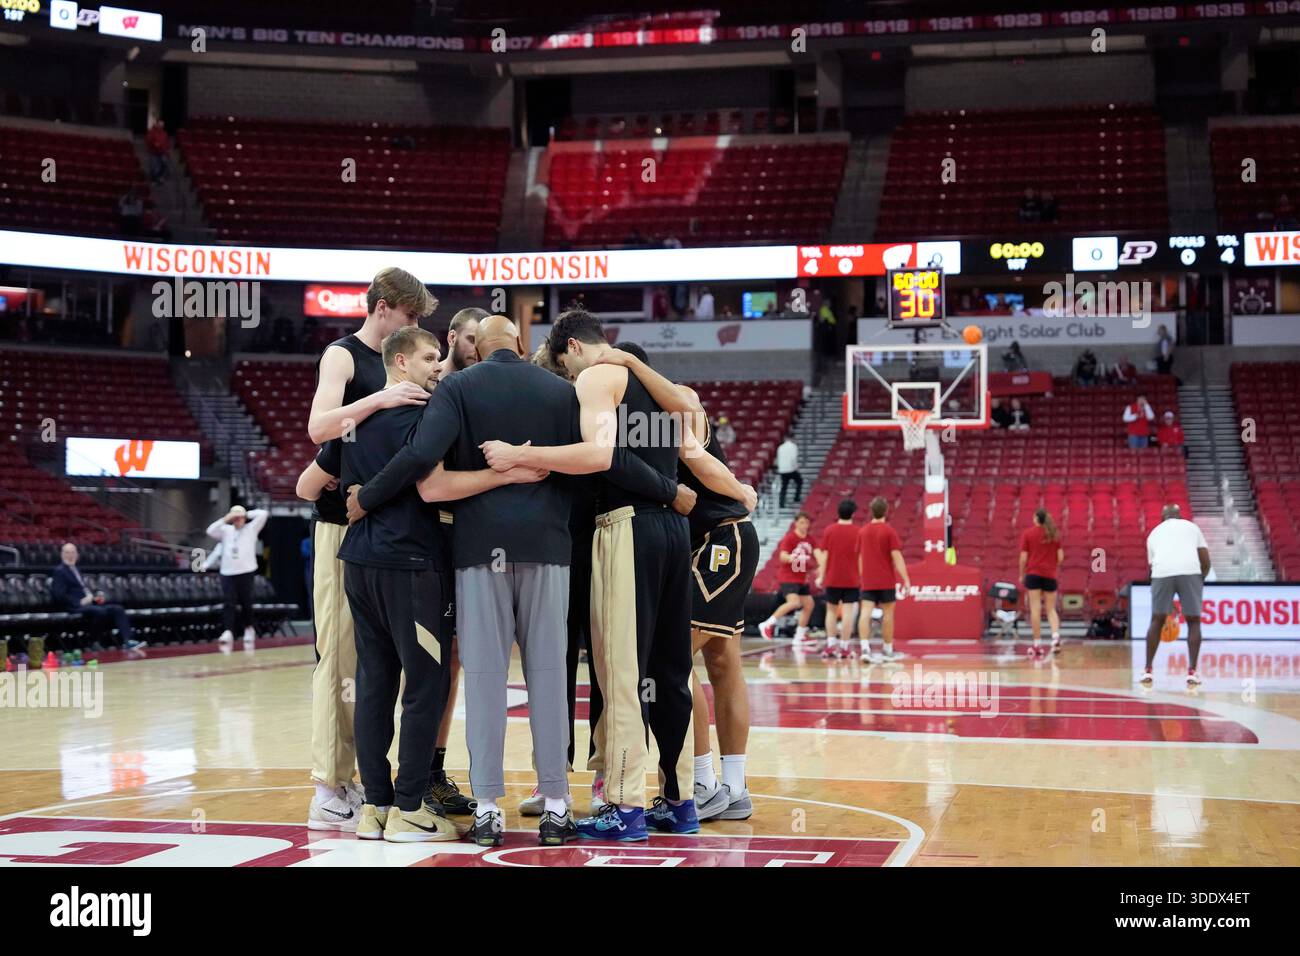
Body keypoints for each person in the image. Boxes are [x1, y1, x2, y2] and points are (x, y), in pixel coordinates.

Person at [347, 315, 620, 847]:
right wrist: (529, 470)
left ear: (477, 349)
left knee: (487, 680)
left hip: (477, 554)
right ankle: (557, 805)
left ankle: (489, 806)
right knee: (548, 677)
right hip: (548, 547)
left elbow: (427, 472)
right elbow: (592, 463)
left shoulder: (457, 387)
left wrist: (369, 495)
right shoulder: (561, 390)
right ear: (520, 344)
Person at [490, 309, 754, 841]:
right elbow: (692, 424)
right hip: (676, 535)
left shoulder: (594, 376)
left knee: (622, 675)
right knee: (672, 670)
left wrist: (522, 454)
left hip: (626, 527)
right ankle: (680, 803)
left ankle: (626, 807)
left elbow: (598, 454)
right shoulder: (662, 389)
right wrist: (742, 491)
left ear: (569, 348)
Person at [594, 343, 758, 824]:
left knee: (675, 657)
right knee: (723, 663)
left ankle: (701, 782)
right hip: (717, 540)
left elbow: (696, 455)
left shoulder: (673, 399)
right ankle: (735, 785)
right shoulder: (642, 412)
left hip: (720, 538)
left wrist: (740, 489)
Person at [303, 267, 440, 829]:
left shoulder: (404, 368)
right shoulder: (343, 356)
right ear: (384, 307)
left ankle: (370, 785)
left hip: (380, 531)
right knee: (337, 657)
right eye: (409, 316)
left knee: (375, 669)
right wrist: (379, 400)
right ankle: (328, 786)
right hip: (344, 527)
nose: (412, 326)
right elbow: (318, 427)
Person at [332, 326, 462, 843]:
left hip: (359, 563)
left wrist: (361, 499)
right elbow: (430, 485)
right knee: (426, 683)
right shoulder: (426, 416)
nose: (440, 365)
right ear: (401, 362)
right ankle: (409, 806)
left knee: (375, 684)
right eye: (432, 357)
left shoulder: (354, 422)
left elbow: (323, 483)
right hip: (409, 565)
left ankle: (376, 806)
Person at [1139, 504, 1211, 687]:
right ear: (1179, 516)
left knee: (1156, 620)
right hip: (1190, 572)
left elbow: (1152, 565)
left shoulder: (1154, 533)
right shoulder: (1192, 527)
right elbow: (1205, 559)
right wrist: (1200, 579)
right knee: (1193, 621)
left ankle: (1147, 669)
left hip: (1162, 573)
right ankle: (1192, 672)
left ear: (1162, 517)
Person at [50, 542, 145, 652]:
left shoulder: (76, 570)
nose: (70, 555)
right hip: (73, 606)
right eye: (67, 553)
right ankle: (92, 640)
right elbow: (58, 595)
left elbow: (80, 590)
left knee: (117, 609)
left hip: (86, 604)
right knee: (99, 612)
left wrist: (94, 598)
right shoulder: (60, 571)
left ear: (77, 555)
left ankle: (128, 641)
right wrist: (80, 602)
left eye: (72, 553)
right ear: (62, 555)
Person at [205, 505, 268, 650]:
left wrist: (245, 513)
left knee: (246, 602)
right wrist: (226, 518)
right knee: (229, 602)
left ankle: (248, 628)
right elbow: (210, 531)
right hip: (227, 572)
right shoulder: (226, 531)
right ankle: (228, 631)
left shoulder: (251, 528)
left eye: (239, 518)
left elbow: (264, 514)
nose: (237, 520)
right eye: (235, 518)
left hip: (246, 570)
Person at [857, 496, 911, 663]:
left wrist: (862, 575)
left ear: (871, 511)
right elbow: (897, 557)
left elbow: (859, 557)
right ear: (886, 511)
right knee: (888, 614)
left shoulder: (863, 531)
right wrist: (906, 579)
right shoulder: (889, 531)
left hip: (869, 580)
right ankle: (887, 650)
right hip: (886, 579)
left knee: (865, 612)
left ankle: (865, 648)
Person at [759, 512, 818, 644]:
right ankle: (767, 624)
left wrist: (818, 567)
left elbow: (817, 555)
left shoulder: (810, 539)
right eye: (802, 522)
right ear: (796, 523)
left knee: (809, 604)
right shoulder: (790, 538)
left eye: (807, 523)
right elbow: (782, 556)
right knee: (795, 602)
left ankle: (800, 635)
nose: (805, 525)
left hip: (802, 579)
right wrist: (793, 558)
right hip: (789, 577)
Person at [815, 499, 861, 661]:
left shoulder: (830, 530)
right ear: (853, 513)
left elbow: (824, 556)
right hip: (851, 578)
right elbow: (860, 557)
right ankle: (845, 647)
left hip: (832, 578)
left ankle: (830, 645)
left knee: (831, 612)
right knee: (848, 613)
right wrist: (860, 575)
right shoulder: (858, 532)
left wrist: (821, 575)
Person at [1019, 508, 1063, 659]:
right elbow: (1061, 557)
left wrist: (1021, 573)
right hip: (1050, 575)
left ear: (1036, 519)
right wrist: (1051, 565)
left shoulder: (1028, 534)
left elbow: (1023, 557)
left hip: (1033, 574)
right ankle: (1055, 637)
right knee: (1051, 609)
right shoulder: (1054, 535)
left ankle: (1037, 644)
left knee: (1035, 610)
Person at [776, 435, 801, 508]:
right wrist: (796, 468)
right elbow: (793, 458)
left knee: (784, 487)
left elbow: (778, 459)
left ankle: (781, 503)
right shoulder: (793, 446)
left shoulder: (780, 447)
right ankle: (796, 498)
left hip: (783, 470)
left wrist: (780, 468)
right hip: (791, 469)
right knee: (799, 482)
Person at [145, 119, 170, 184]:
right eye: (160, 124)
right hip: (154, 152)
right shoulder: (152, 132)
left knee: (164, 164)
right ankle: (155, 179)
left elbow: (167, 143)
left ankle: (160, 177)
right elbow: (148, 140)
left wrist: (167, 151)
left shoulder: (164, 133)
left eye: (162, 125)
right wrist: (154, 144)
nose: (161, 126)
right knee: (155, 166)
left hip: (163, 152)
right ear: (157, 124)